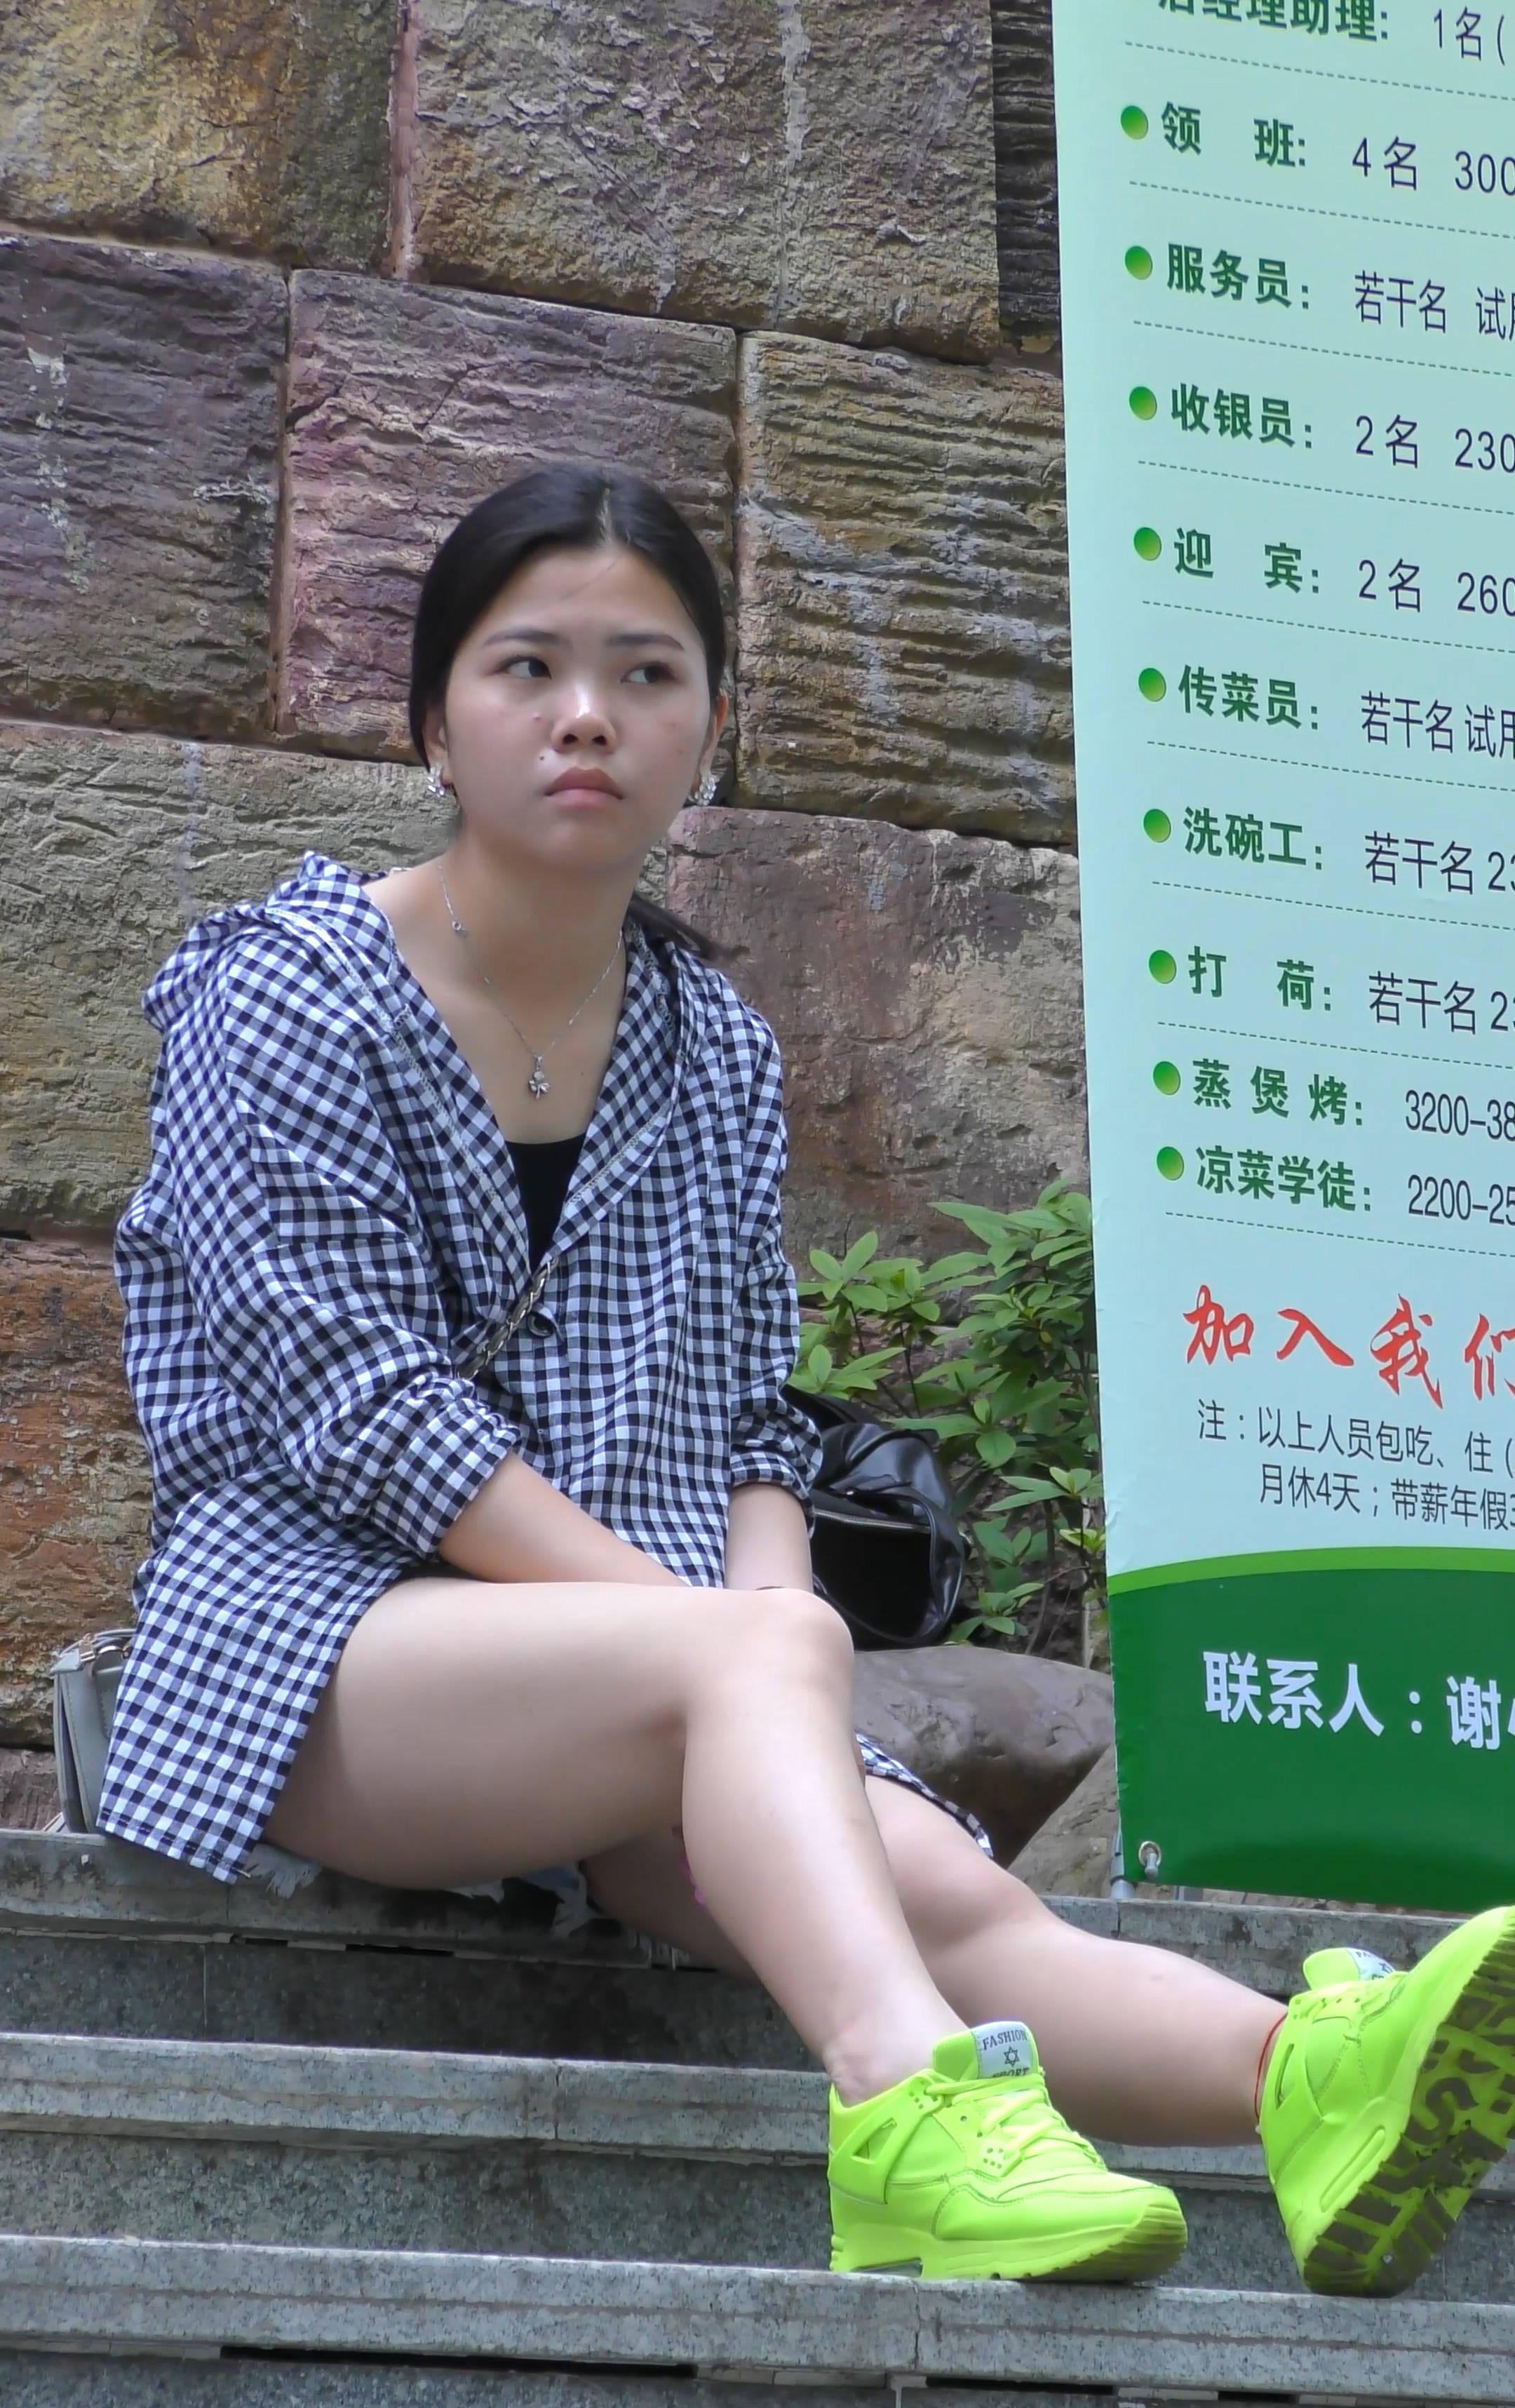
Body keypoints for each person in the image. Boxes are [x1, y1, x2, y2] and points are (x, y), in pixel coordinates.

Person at [97, 464, 1515, 2297]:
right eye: (529, 668)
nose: (588, 716)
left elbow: (751, 1420)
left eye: (647, 673)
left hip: (634, 1676)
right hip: (313, 1656)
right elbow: (357, 1408)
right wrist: (734, 1646)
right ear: (433, 721)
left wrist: (781, 1642)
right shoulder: (287, 992)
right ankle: (909, 2116)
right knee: (759, 1673)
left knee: (957, 1899)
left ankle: (1308, 2078)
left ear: (709, 729)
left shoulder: (711, 1047)